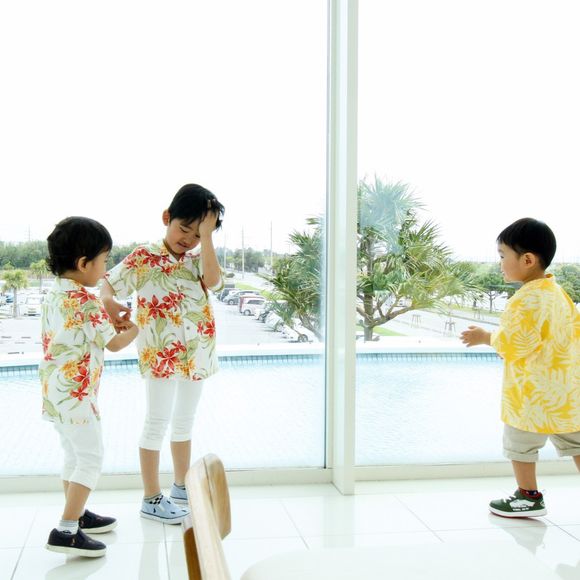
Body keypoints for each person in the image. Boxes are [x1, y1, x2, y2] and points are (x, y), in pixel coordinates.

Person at [101, 184, 225, 524]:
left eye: (198, 234)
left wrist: (206, 237)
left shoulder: (201, 258)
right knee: (156, 422)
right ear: (166, 218)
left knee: (184, 421)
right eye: (184, 229)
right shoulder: (144, 257)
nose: (189, 239)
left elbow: (214, 282)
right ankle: (151, 498)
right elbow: (108, 283)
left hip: (197, 352)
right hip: (160, 355)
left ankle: (181, 487)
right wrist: (109, 301)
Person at [461, 217, 579, 517]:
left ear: (527, 260)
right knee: (577, 443)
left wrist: (485, 337)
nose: (500, 263)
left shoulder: (524, 300)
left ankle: (529, 497)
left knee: (520, 444)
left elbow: (517, 344)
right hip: (566, 391)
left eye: (503, 256)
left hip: (532, 395)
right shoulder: (558, 293)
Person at [41, 217, 139, 557]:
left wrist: (108, 325)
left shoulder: (55, 294)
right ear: (84, 264)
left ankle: (78, 514)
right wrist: (134, 329)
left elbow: (82, 331)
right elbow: (114, 343)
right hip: (77, 395)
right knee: (91, 457)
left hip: (55, 392)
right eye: (104, 260)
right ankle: (66, 529)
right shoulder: (86, 301)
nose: (106, 268)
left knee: (74, 455)